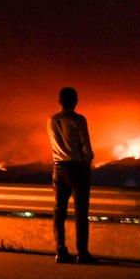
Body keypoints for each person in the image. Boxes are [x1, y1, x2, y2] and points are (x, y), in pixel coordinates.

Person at [47, 87, 95, 264]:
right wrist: (87, 163)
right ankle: (82, 253)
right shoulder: (79, 119)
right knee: (81, 212)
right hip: (77, 168)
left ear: (59, 101)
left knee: (59, 211)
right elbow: (86, 149)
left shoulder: (51, 120)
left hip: (58, 168)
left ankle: (60, 251)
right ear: (76, 101)